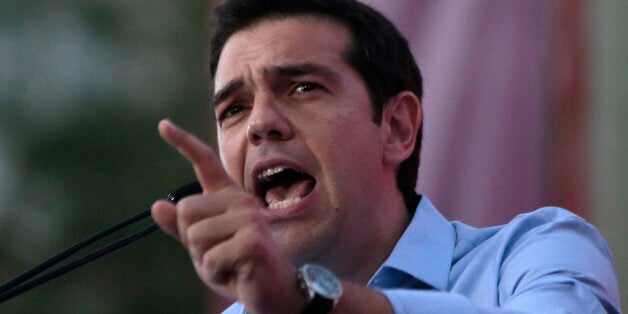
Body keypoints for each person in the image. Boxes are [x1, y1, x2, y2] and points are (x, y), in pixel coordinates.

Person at [151, 0, 621, 313]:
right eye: (234, 109)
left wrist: (306, 302)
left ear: (397, 127)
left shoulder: (535, 253)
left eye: (302, 87)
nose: (259, 123)